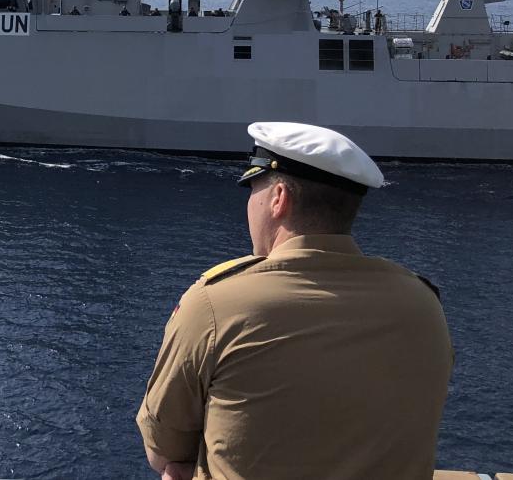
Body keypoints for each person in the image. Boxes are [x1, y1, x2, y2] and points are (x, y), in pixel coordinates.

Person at [137, 122, 452, 480]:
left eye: (252, 189)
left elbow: (163, 450)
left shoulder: (215, 305)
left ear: (279, 198)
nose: (249, 204)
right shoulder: (424, 305)